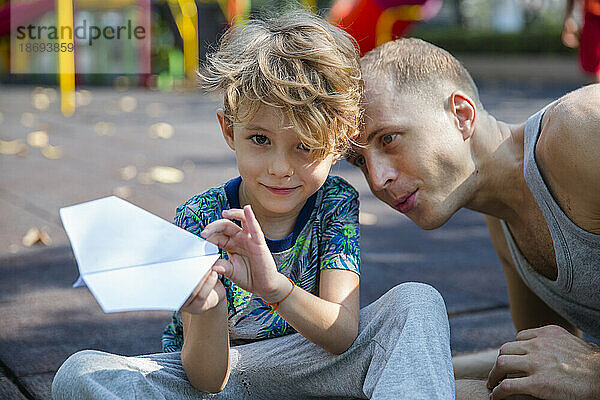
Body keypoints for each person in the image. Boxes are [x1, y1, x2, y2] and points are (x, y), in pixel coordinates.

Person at [52, 12, 455, 400]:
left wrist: (272, 287)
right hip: (222, 380)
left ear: (337, 145)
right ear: (230, 129)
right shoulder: (200, 218)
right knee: (81, 373)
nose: (280, 169)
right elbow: (207, 380)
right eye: (260, 139)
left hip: (312, 365)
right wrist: (209, 306)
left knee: (416, 302)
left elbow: (342, 334)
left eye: (306, 146)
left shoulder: (333, 203)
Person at [348, 37, 600, 399]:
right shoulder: (505, 222)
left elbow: (579, 370)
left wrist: (593, 373)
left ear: (461, 116)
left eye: (388, 139)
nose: (377, 179)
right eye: (359, 161)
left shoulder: (580, 130)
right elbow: (535, 367)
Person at [562, 0, 600, 83]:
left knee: (595, 69)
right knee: (593, 68)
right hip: (592, 19)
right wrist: (569, 17)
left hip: (593, 19)